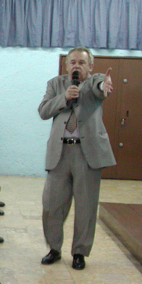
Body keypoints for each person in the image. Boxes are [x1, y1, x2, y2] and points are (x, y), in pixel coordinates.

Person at [39, 47, 115, 270]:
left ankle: (79, 252)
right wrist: (64, 97)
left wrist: (104, 85)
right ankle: (54, 249)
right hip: (59, 153)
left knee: (86, 206)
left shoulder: (95, 82)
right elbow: (43, 111)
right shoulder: (55, 84)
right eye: (72, 62)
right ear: (66, 65)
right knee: (51, 205)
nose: (76, 66)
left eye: (82, 62)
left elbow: (101, 88)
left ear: (90, 66)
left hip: (87, 153)